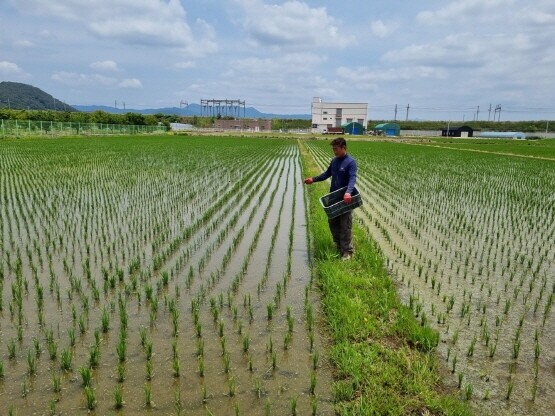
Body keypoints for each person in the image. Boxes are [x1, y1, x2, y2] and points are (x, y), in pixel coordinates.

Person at [304, 137, 357, 260]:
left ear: (344, 148)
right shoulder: (334, 161)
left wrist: (348, 192)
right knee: (333, 222)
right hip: (334, 197)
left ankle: (347, 251)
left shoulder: (350, 162)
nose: (334, 151)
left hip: (345, 198)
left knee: (345, 224)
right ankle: (339, 245)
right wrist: (313, 179)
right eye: (333, 149)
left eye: (336, 149)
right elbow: (326, 174)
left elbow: (352, 179)